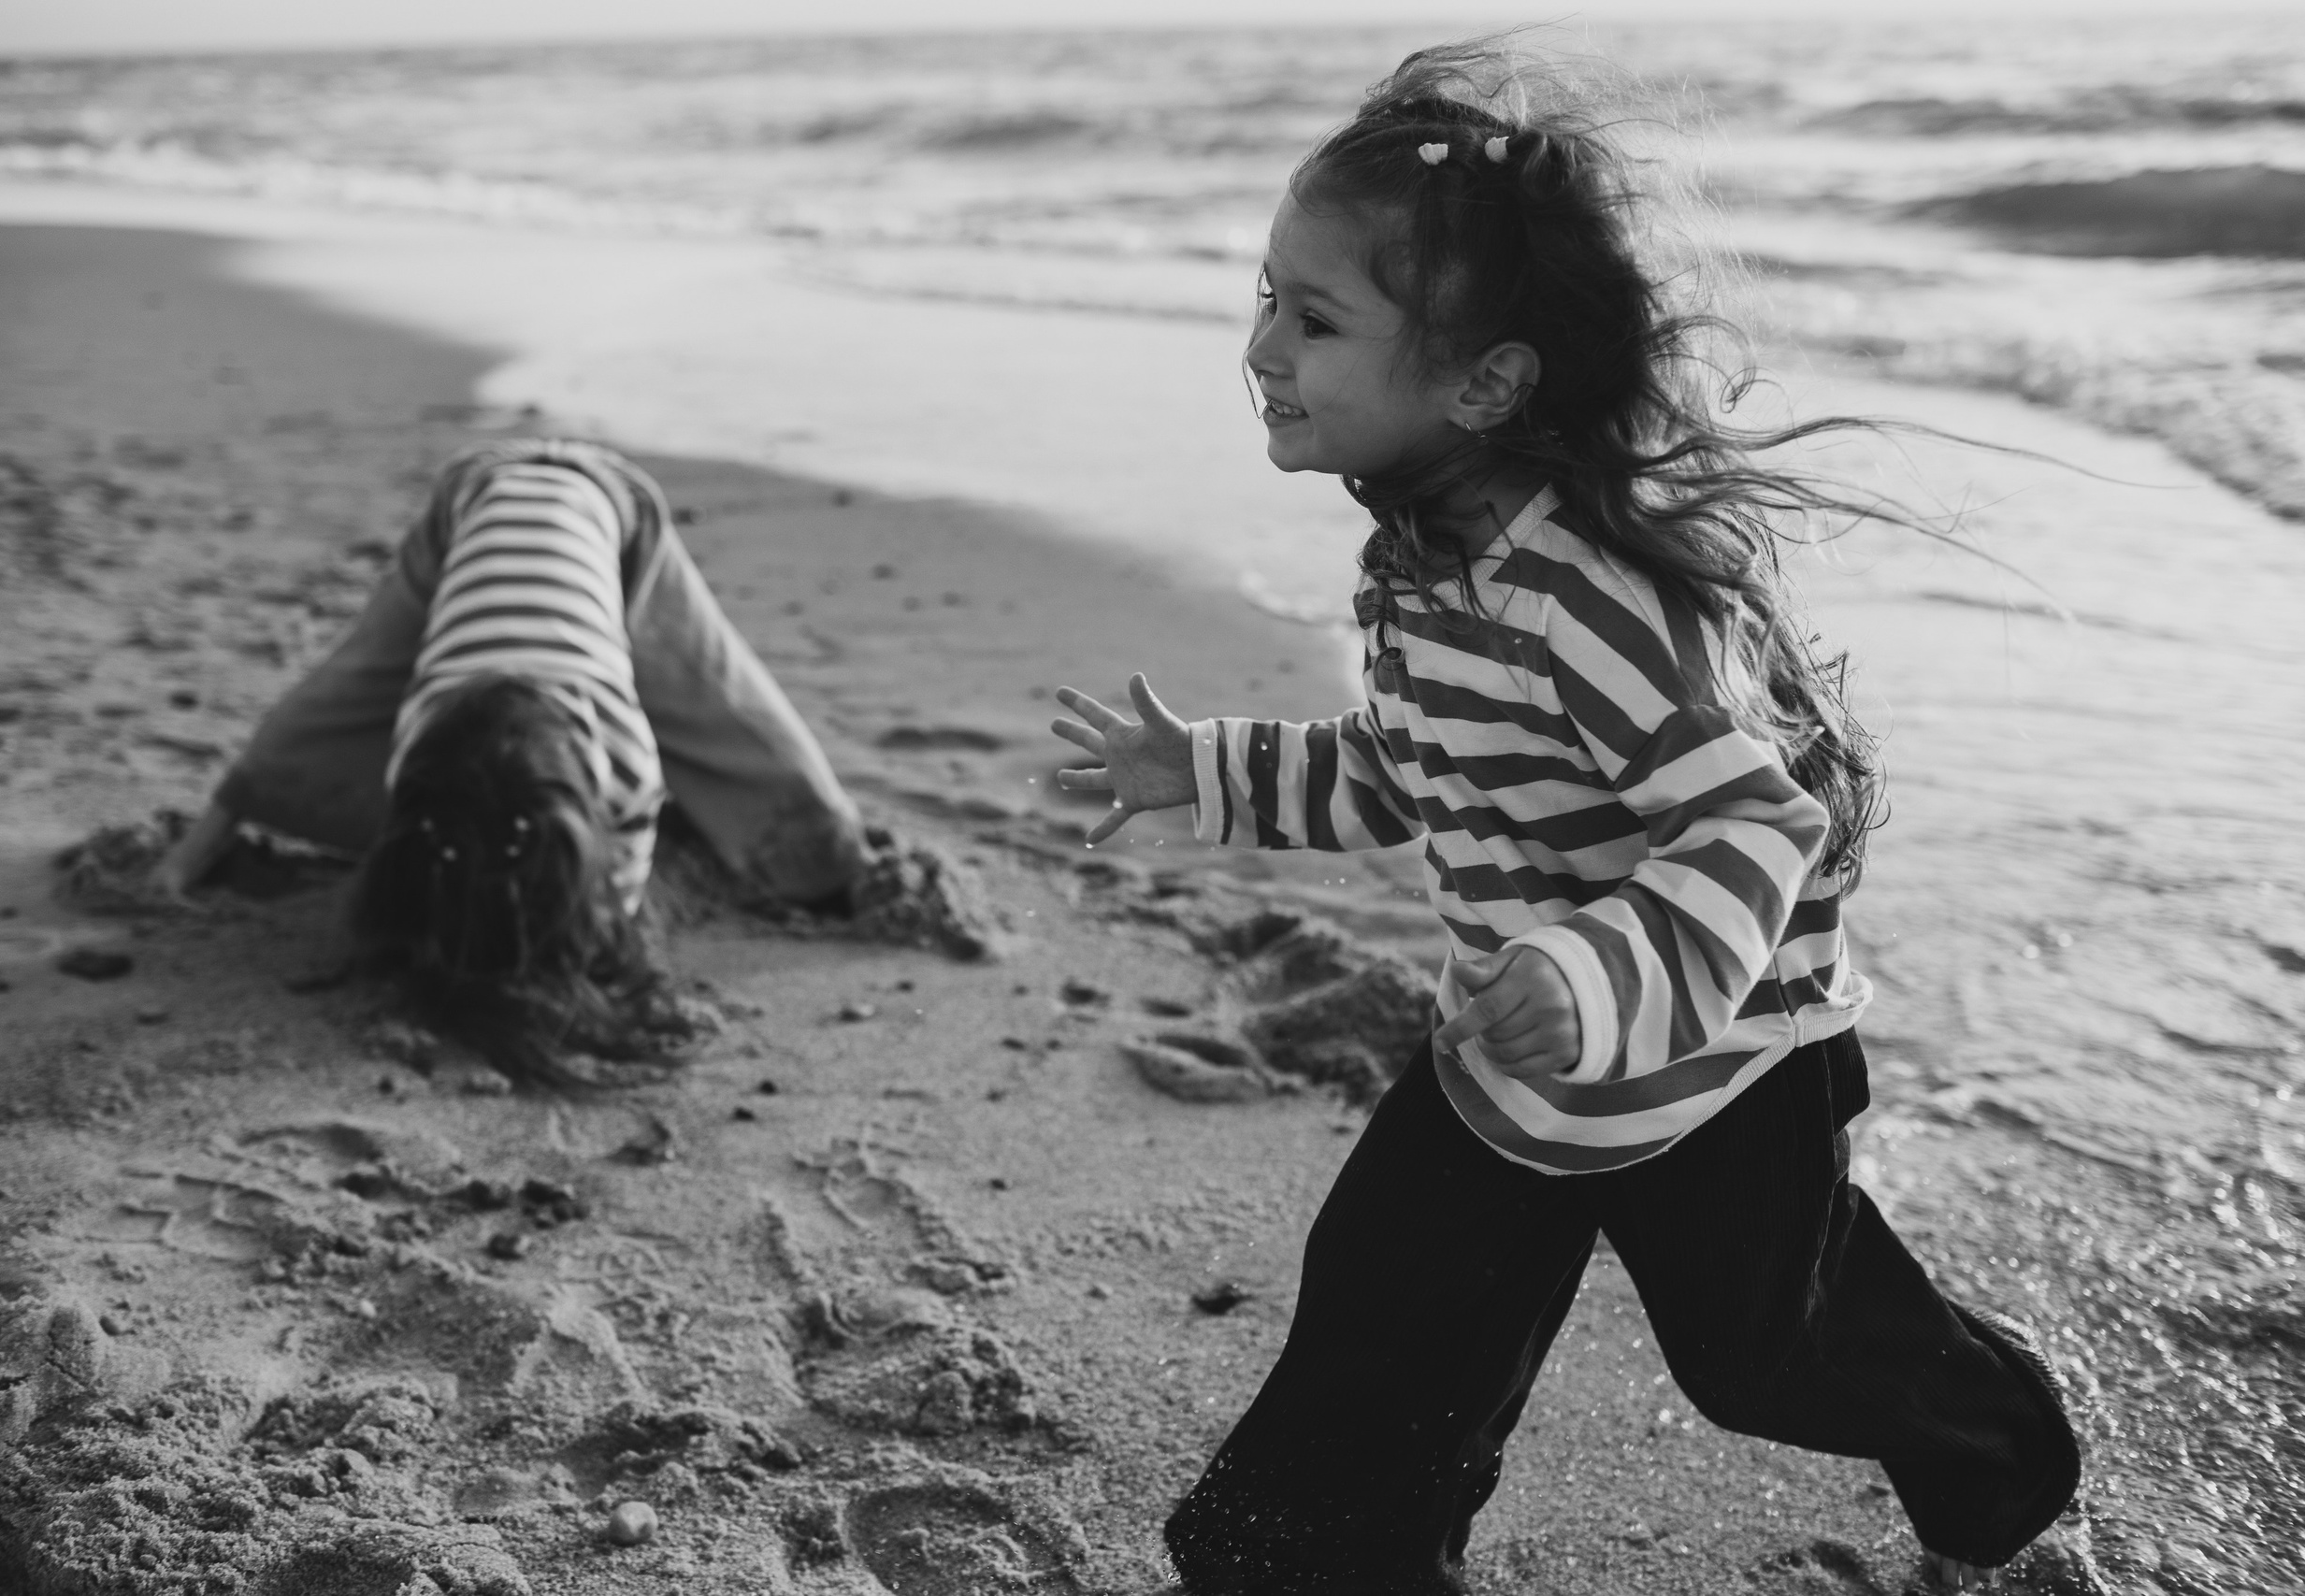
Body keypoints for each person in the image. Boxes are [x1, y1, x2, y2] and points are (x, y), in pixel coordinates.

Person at [1049, 38, 2081, 1596]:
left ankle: (2004, 1449)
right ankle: (1319, 1564)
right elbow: (1417, 769)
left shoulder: (1583, 596)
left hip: (1718, 1062)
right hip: (1519, 1060)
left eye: (1314, 318)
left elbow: (1754, 828)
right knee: (1385, 1309)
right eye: (1267, 296)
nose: (1263, 347)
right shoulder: (1423, 569)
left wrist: (1594, 977)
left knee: (1765, 1355)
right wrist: (1211, 772)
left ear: (1486, 381)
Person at [151, 439, 873, 1081]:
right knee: (341, 688)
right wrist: (185, 865)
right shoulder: (422, 738)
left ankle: (837, 855)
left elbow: (610, 910)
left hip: (612, 510)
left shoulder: (626, 762)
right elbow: (323, 726)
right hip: (465, 508)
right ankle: (194, 845)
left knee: (720, 699)